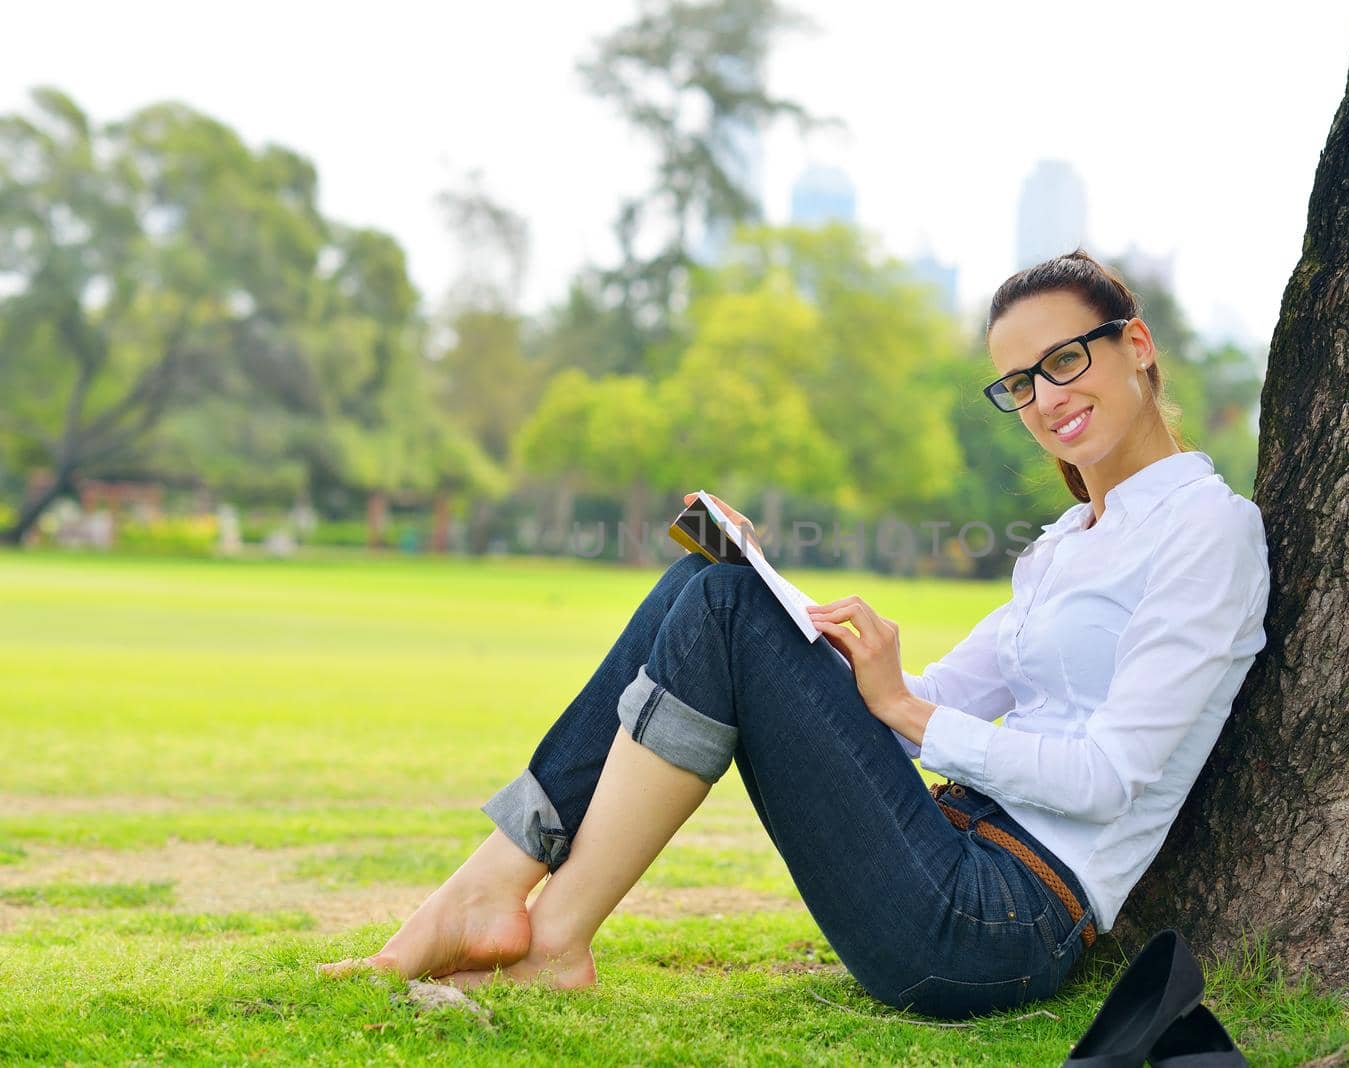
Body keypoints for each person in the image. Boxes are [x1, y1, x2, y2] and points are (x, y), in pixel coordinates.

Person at [317, 249, 1270, 1021]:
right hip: (939, 849)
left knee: (725, 606)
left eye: (1066, 360)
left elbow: (1108, 779)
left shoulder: (1209, 532)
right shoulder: (1068, 545)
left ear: (1135, 345)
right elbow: (889, 708)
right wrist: (774, 592)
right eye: (1018, 383)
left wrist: (904, 705)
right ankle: (495, 892)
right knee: (714, 583)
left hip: (998, 921)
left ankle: (542, 930)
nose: (1045, 397)